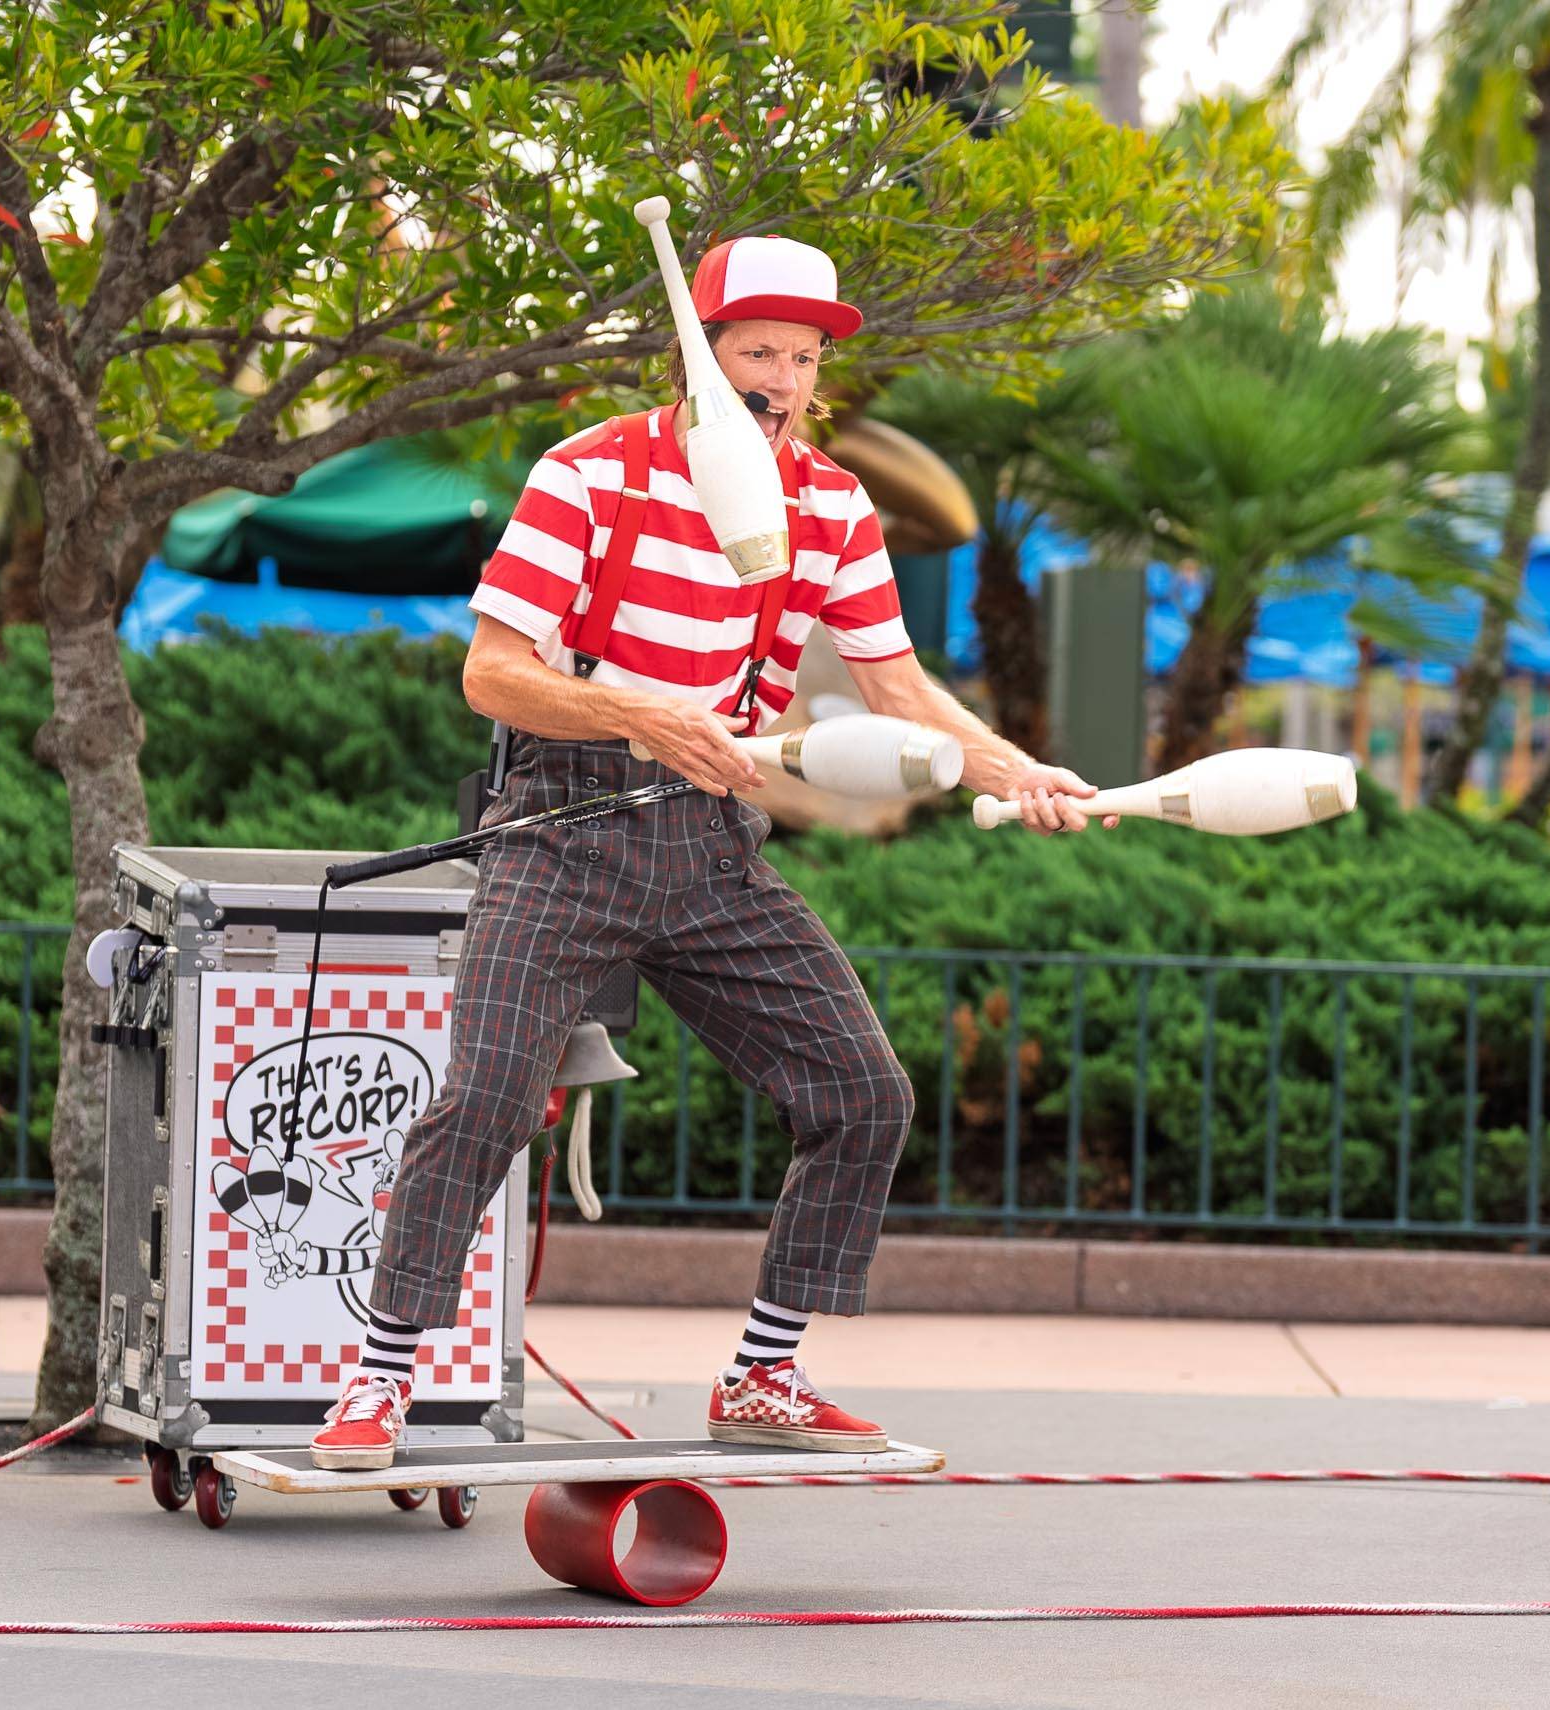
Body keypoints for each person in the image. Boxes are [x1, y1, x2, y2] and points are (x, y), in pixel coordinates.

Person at [310, 230, 1105, 1469]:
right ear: (699, 354)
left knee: (862, 1097)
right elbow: (491, 676)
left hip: (711, 840)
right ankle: (376, 1386)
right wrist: (640, 712)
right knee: (485, 1102)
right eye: (755, 350)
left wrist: (1015, 768)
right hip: (561, 826)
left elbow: (896, 687)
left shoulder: (831, 502)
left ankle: (764, 1377)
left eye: (799, 356)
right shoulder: (588, 473)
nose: (779, 376)